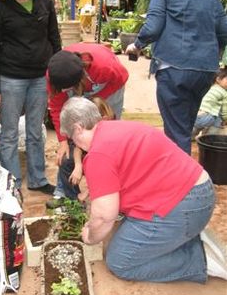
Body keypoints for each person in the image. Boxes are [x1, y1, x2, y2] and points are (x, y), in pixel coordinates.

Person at [60, 96, 227, 283]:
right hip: (197, 192)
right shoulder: (116, 127)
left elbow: (104, 216)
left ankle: (199, 259)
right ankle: (181, 237)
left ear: (78, 129)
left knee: (120, 261)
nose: (76, 144)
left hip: (185, 206)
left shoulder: (98, 154)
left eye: (72, 138)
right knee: (122, 233)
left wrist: (90, 236)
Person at [125, 0, 227, 155]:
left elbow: (153, 27)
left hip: (174, 68)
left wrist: (136, 45)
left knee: (176, 133)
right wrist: (213, 55)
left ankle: (182, 183)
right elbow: (224, 31)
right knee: (184, 125)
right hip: (205, 71)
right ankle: (185, 177)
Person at [0, 0, 61, 194]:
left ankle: (38, 179)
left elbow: (54, 36)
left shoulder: (44, 0)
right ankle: (13, 183)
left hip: (40, 76)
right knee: (8, 134)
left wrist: (56, 71)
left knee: (35, 130)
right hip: (11, 78)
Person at [46, 42, 128, 204]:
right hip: (81, 83)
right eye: (62, 90)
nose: (63, 93)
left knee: (105, 140)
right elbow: (57, 109)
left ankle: (111, 193)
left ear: (79, 81)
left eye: (66, 90)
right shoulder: (55, 75)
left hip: (109, 86)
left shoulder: (105, 67)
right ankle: (64, 192)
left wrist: (94, 101)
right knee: (71, 144)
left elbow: (122, 77)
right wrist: (62, 141)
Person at [47, 97, 115, 208]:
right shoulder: (89, 128)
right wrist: (78, 166)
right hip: (92, 155)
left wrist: (87, 192)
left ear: (104, 118)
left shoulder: (109, 136)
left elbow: (103, 171)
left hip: (114, 171)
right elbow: (78, 147)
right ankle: (73, 200)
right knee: (66, 159)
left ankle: (116, 205)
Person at [192, 69, 227, 138]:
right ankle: (209, 137)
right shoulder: (224, 92)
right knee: (218, 117)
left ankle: (190, 136)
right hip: (207, 118)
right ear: (218, 79)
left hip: (194, 115)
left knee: (196, 127)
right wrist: (225, 120)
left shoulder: (208, 88)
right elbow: (225, 112)